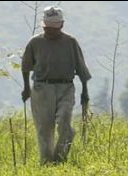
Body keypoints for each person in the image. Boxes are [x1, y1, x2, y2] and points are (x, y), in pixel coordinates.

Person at [21, 6, 91, 164]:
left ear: (61, 25)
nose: (50, 32)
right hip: (42, 88)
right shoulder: (35, 42)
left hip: (65, 88)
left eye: (54, 28)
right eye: (47, 28)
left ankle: (59, 160)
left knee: (65, 123)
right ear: (43, 25)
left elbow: (81, 68)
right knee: (44, 130)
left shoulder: (70, 42)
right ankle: (47, 164)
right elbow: (26, 66)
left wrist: (84, 92)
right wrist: (26, 88)